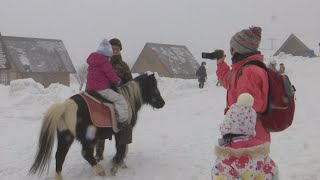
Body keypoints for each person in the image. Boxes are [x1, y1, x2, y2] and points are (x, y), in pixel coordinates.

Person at [216, 26, 270, 144]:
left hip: (247, 138)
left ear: (238, 49)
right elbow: (228, 82)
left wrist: (234, 139)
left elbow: (247, 109)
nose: (230, 50)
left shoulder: (249, 72)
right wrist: (221, 63)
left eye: (232, 47)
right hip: (245, 135)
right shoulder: (242, 69)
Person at [212, 93, 279, 179]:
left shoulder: (224, 159)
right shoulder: (262, 155)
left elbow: (219, 176)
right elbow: (273, 173)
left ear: (227, 126)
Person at [95, 38, 133, 161]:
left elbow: (130, 84)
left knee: (123, 125)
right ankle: (99, 153)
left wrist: (121, 87)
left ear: (120, 50)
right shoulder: (103, 62)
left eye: (117, 48)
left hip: (119, 97)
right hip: (103, 97)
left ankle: (120, 154)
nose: (115, 50)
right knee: (100, 124)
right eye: (112, 48)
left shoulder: (124, 66)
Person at [86, 39, 130, 130]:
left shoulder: (93, 61)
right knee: (120, 99)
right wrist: (117, 81)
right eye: (112, 51)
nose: (111, 57)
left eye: (117, 49)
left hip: (91, 88)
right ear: (107, 55)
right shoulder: (105, 62)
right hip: (102, 89)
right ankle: (122, 120)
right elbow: (111, 74)